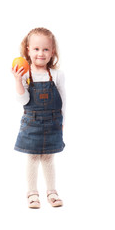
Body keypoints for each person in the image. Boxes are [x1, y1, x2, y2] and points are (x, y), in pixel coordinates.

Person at [12, 27, 66, 208]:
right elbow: (23, 100)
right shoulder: (26, 73)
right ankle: (32, 193)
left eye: (45, 49)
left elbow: (62, 101)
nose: (40, 53)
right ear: (28, 50)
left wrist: (63, 122)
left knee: (49, 157)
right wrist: (18, 81)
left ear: (52, 52)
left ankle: (52, 191)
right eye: (36, 49)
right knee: (33, 157)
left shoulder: (57, 75)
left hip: (53, 122)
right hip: (32, 122)